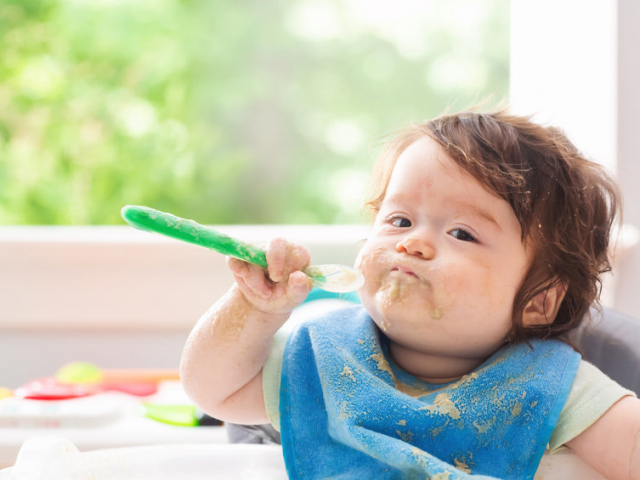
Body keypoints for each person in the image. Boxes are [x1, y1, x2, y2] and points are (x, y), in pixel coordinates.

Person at [180, 110, 640, 479]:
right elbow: (214, 390)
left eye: (461, 232)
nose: (411, 242)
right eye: (399, 220)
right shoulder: (328, 357)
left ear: (539, 302)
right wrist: (254, 307)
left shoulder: (550, 386)